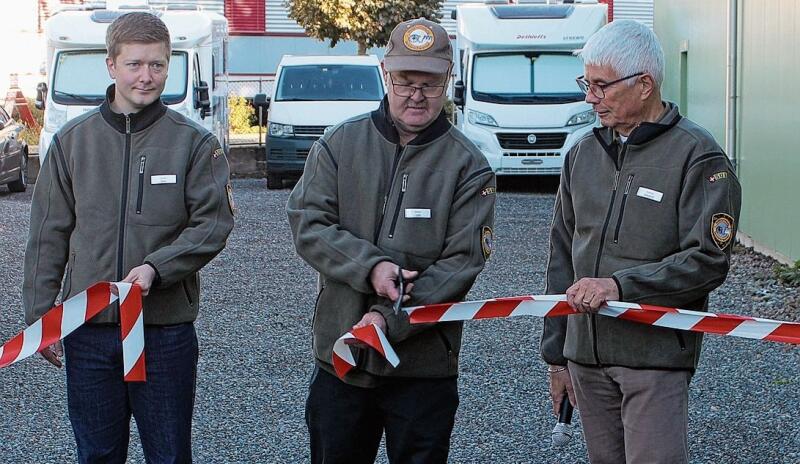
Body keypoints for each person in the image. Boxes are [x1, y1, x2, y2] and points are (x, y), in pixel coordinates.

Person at [23, 12, 234, 463]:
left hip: (164, 332)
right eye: (135, 64)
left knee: (169, 453)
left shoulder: (193, 144)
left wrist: (158, 267)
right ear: (111, 65)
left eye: (157, 65)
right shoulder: (71, 143)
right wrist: (42, 315)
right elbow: (48, 235)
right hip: (90, 330)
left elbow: (212, 224)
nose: (147, 76)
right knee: (97, 453)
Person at [287, 18, 496, 464]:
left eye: (430, 82)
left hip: (423, 368)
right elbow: (309, 222)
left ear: (448, 80)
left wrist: (388, 319)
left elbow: (461, 263)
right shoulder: (338, 145)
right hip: (342, 358)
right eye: (405, 81)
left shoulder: (469, 166)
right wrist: (372, 269)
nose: (416, 95)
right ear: (386, 73)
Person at [540, 20, 742, 464]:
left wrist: (619, 286)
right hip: (585, 358)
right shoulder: (581, 152)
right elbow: (562, 254)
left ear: (644, 85)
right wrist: (557, 356)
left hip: (653, 358)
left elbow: (708, 260)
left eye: (600, 86)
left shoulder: (698, 156)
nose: (589, 97)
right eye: (586, 83)